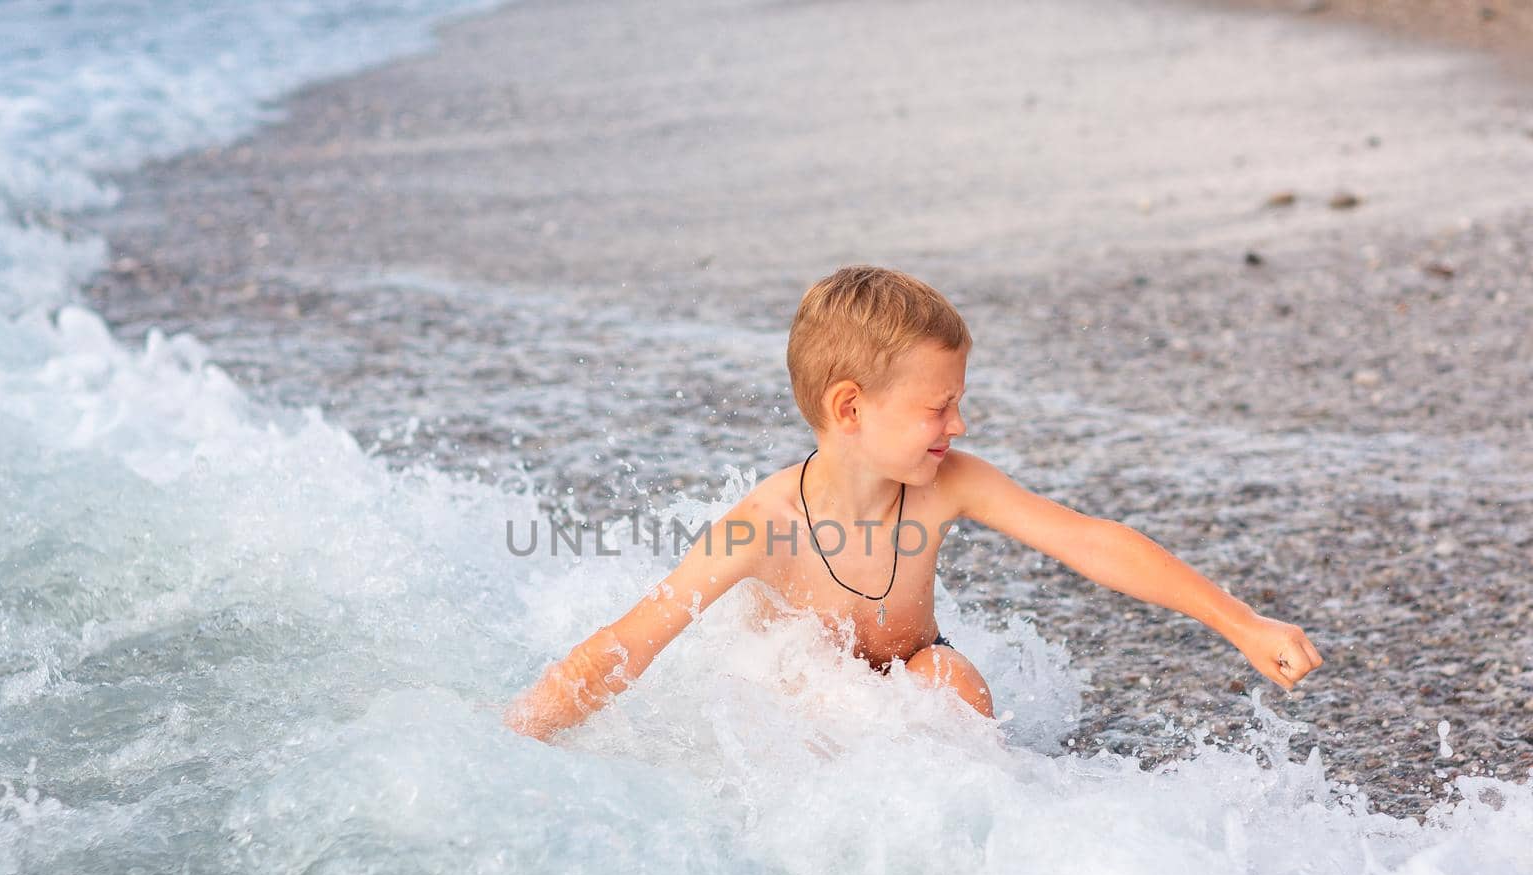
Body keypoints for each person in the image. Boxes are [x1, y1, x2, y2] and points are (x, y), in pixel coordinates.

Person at [503, 265, 1322, 741]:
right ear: (851, 408)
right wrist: (510, 742)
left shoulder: (946, 484)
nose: (958, 425)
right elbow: (629, 642)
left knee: (956, 689)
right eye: (938, 407)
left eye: (957, 402)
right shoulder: (761, 526)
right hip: (784, 704)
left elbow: (1091, 541)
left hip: (905, 667)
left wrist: (1242, 623)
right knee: (832, 705)